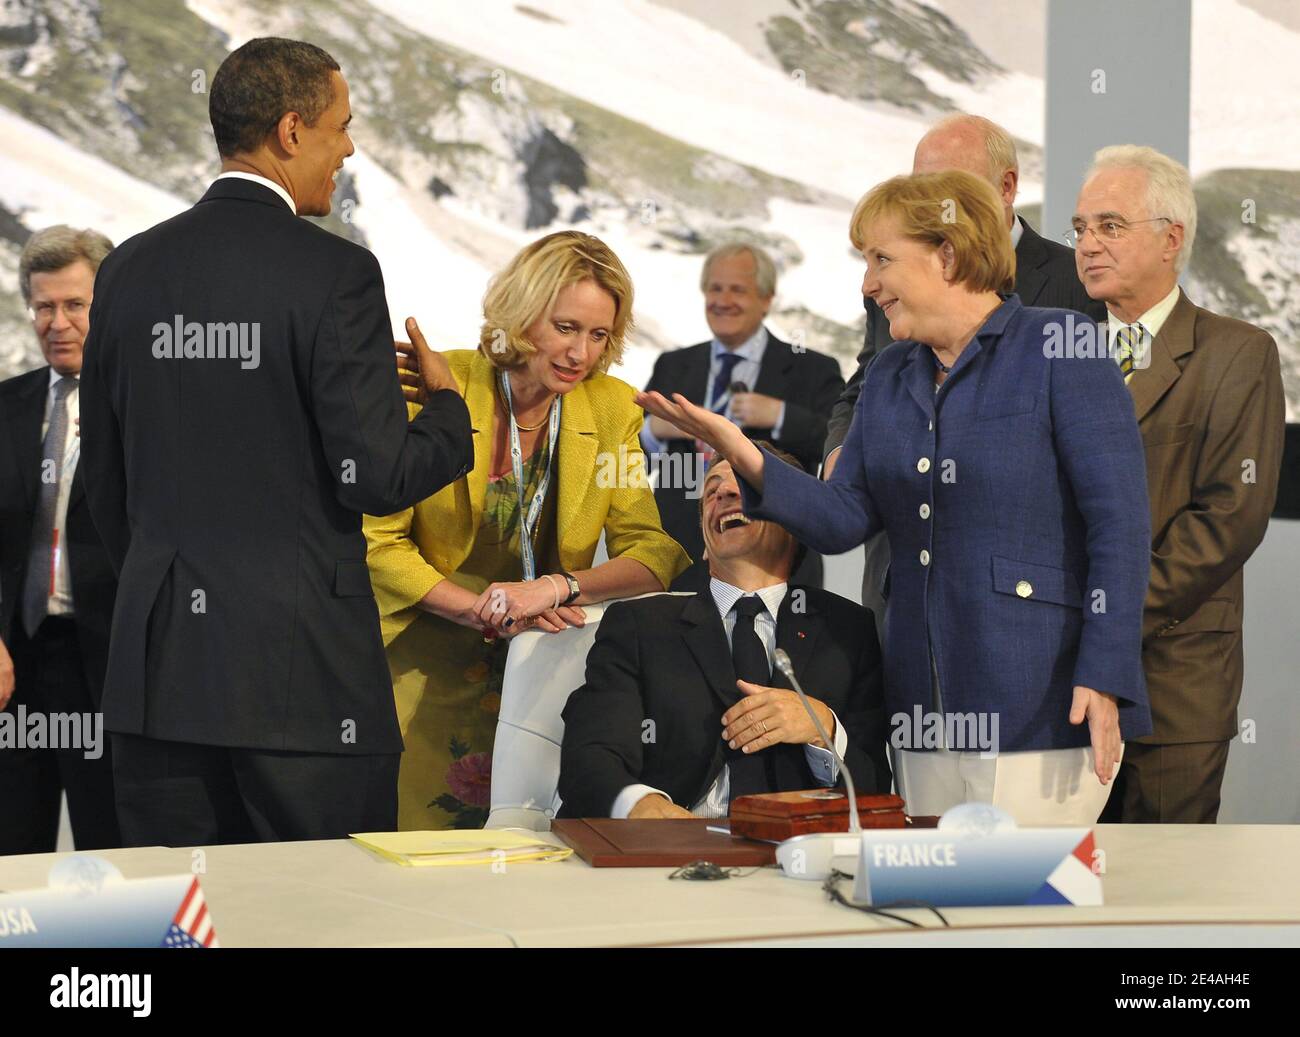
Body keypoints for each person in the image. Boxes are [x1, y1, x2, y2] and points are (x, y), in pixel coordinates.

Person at [640, 170, 1153, 826]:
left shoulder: (1061, 349)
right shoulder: (887, 375)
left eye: (881, 259)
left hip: (1042, 703)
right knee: (935, 916)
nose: (868, 284)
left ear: (948, 253)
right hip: (920, 706)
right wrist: (743, 452)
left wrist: (1106, 672)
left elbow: (1121, 525)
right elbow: (841, 516)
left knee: (1016, 918)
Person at [78, 37, 474, 846]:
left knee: (176, 928)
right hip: (305, 691)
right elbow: (377, 476)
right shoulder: (336, 274)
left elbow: (105, 483)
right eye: (341, 126)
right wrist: (446, 410)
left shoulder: (126, 271)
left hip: (159, 685)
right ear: (292, 131)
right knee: (322, 925)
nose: (350, 147)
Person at [365, 231, 689, 830]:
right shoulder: (438, 386)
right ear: (522, 315)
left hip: (538, 673)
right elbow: (377, 543)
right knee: (419, 853)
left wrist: (559, 587)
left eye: (598, 335)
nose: (581, 354)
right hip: (415, 663)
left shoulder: (614, 408)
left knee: (523, 861)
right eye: (565, 327)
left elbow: (653, 552)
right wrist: (475, 610)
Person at [822, 114, 1106, 636]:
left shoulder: (1080, 289)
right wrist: (842, 455)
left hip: (1019, 608)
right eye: (920, 190)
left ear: (1007, 187)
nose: (932, 207)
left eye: (949, 190)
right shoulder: (893, 287)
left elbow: (1108, 493)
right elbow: (861, 390)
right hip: (902, 584)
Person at [1073, 146, 1285, 824]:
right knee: (1053, 901)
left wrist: (1099, 618)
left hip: (1173, 683)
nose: (1088, 245)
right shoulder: (1055, 350)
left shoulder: (1238, 354)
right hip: (1056, 687)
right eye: (1080, 229)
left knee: (1156, 905)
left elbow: (1228, 519)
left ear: (1172, 239)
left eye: (1110, 225)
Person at [558, 446, 890, 820]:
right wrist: (641, 806)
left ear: (798, 521)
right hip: (672, 854)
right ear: (704, 542)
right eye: (711, 491)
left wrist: (823, 729)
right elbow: (588, 758)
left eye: (746, 486)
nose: (722, 495)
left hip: (797, 854)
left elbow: (875, 784)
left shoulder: (848, 630)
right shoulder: (640, 625)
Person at [0, 226, 120, 854]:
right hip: (14, 666)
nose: (57, 322)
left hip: (111, 668)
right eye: (44, 306)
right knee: (11, 852)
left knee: (114, 849)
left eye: (75, 305)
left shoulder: (145, 411)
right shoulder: (6, 406)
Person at [642, 243, 844, 592]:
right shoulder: (673, 366)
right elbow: (627, 460)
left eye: (738, 289)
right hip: (678, 560)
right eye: (715, 288)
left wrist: (780, 415)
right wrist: (653, 430)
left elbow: (837, 445)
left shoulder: (813, 370)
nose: (723, 300)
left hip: (775, 560)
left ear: (766, 299)